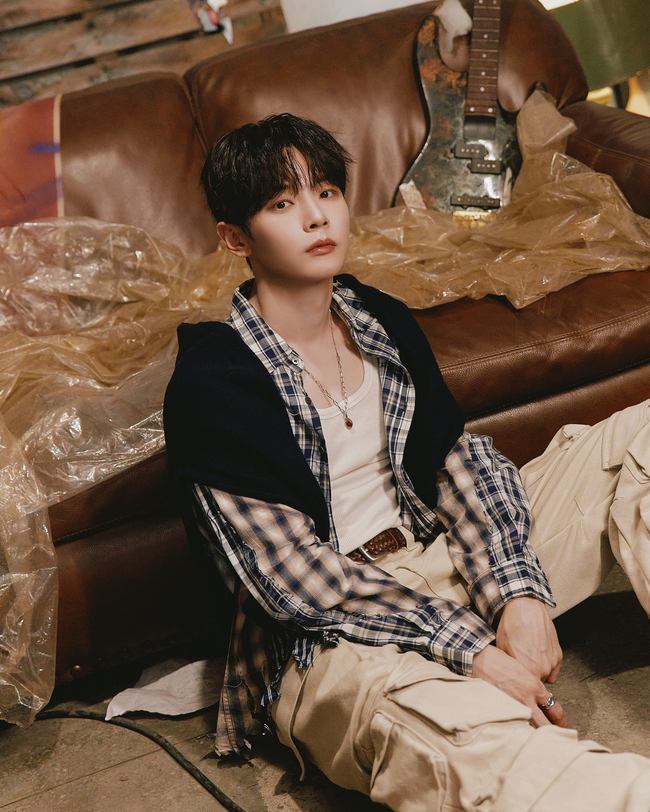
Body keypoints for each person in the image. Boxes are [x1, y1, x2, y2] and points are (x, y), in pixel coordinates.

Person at [163, 113, 650, 811]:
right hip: (332, 640)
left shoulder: (378, 319)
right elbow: (293, 582)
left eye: (326, 192)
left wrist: (517, 596)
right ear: (235, 238)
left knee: (639, 436)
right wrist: (473, 649)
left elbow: (460, 465)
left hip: (438, 559)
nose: (315, 217)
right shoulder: (214, 383)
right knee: (464, 739)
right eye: (281, 203)